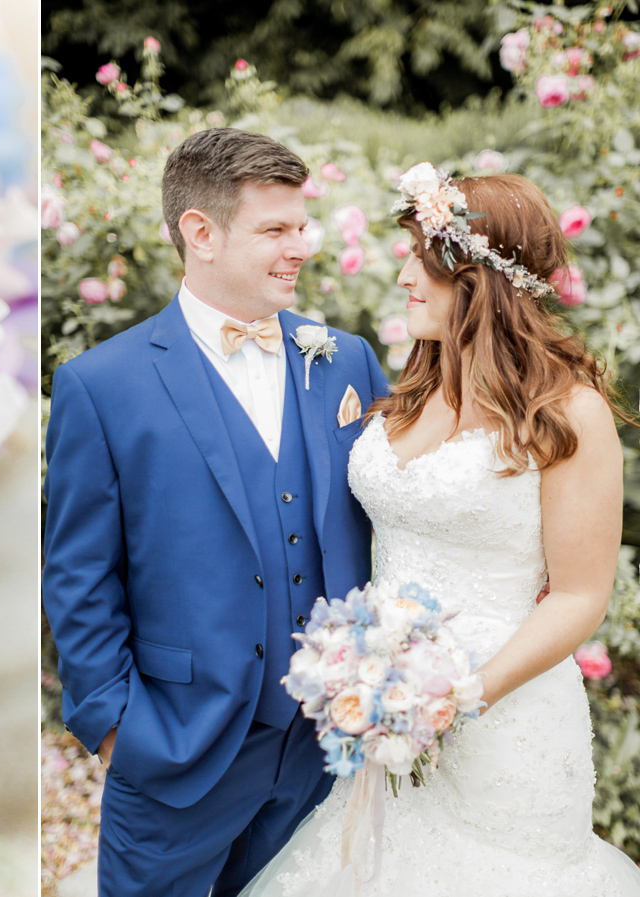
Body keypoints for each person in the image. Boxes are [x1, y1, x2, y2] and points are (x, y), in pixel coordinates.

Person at [238, 166, 640, 896]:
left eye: (420, 257)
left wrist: (460, 697)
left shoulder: (568, 412)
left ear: (478, 276)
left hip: (506, 724)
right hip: (382, 713)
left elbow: (580, 597)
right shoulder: (410, 386)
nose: (403, 276)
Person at [42, 128, 390, 896]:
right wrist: (115, 728)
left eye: (301, 225)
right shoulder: (102, 386)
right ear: (200, 232)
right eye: (276, 229)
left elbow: (392, 519)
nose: (301, 245)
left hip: (326, 749)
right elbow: (78, 574)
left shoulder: (346, 359)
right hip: (180, 750)